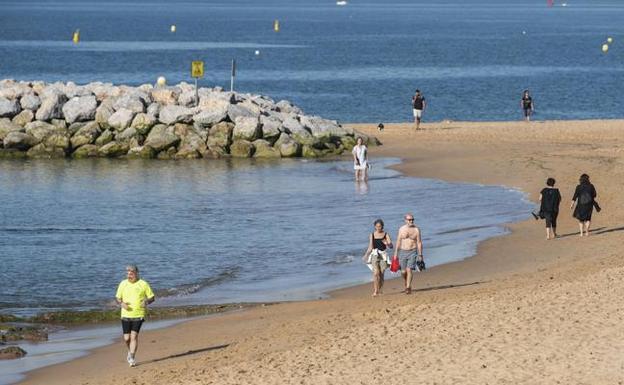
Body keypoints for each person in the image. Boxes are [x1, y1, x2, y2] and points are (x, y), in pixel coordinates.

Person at [115, 265, 155, 367]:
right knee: (126, 338)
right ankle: (130, 351)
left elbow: (152, 297)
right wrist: (121, 303)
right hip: (125, 314)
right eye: (128, 273)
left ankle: (132, 357)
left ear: (137, 273)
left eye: (131, 273)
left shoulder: (143, 284)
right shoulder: (123, 284)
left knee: (134, 336)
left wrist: (146, 301)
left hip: (138, 314)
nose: (129, 275)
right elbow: (117, 298)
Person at [393, 213, 424, 294]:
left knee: (409, 269)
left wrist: (420, 255)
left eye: (412, 219)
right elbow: (398, 241)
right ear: (405, 220)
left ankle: (408, 287)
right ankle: (406, 282)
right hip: (403, 252)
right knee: (403, 272)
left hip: (413, 251)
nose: (411, 221)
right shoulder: (401, 229)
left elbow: (419, 242)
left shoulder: (417, 229)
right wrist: (395, 254)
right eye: (409, 220)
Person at [362, 219, 393, 297]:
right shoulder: (372, 235)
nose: (379, 228)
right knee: (376, 273)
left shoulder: (386, 234)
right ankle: (375, 291)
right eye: (377, 226)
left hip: (383, 255)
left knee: (381, 273)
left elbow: (391, 246)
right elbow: (370, 246)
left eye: (380, 226)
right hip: (375, 255)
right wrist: (366, 255)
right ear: (375, 227)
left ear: (382, 226)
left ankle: (380, 289)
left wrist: (387, 243)